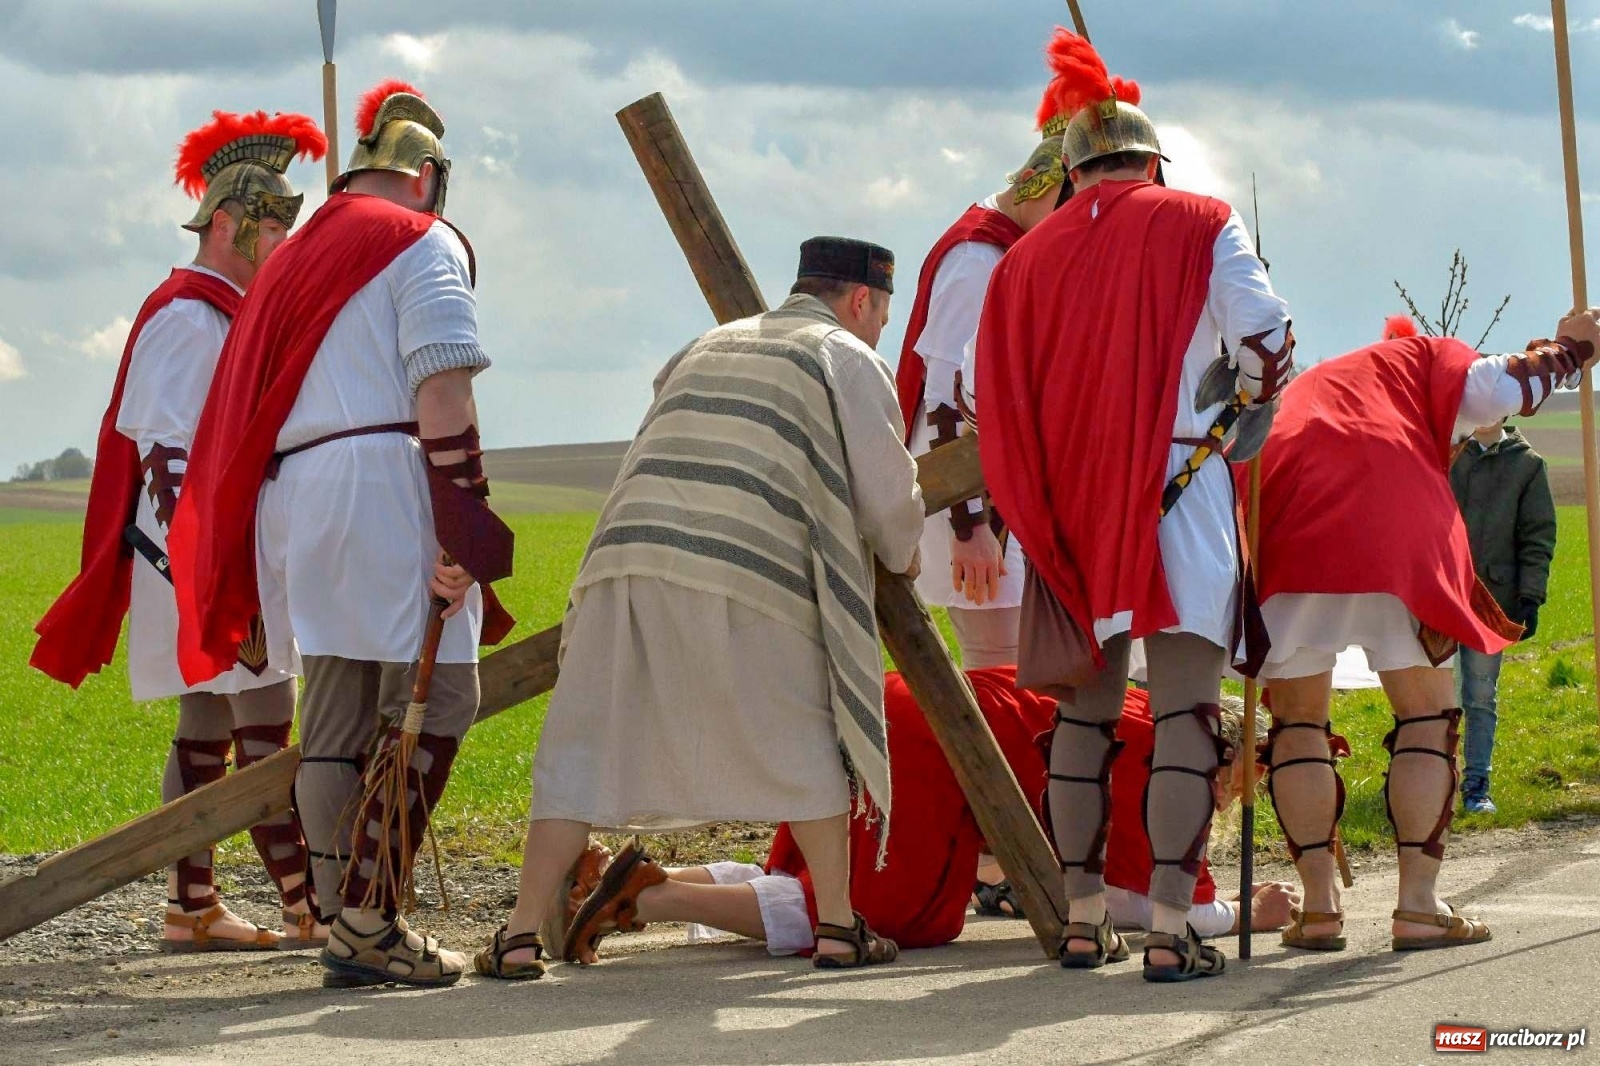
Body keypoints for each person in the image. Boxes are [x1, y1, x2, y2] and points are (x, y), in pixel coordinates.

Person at [475, 237, 924, 981]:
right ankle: (840, 928)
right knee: (806, 736)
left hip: (627, 560)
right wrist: (907, 555)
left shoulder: (706, 343)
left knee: (579, 745)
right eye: (881, 312)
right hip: (754, 565)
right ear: (859, 301)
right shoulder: (845, 354)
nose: (879, 327)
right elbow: (886, 496)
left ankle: (519, 935)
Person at [168, 80, 515, 988]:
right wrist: (462, 519)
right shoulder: (421, 241)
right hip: (384, 481)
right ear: (428, 177)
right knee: (438, 701)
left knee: (336, 713)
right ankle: (366, 918)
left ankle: (339, 915)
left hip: (303, 498)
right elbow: (443, 384)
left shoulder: (292, 256)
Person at [974, 31, 1292, 981]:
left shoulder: (1021, 262)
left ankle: (1079, 919)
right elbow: (1270, 342)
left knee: (1085, 714)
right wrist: (1245, 407)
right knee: (1188, 710)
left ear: (1069, 176)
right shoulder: (1202, 218)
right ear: (1154, 162)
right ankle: (1168, 927)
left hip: (1068, 512)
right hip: (1178, 493)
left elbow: (997, 397)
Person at [31, 110, 327, 951]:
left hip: (218, 559)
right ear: (227, 223)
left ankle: (191, 905)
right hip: (198, 561)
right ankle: (307, 907)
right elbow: (163, 458)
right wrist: (213, 579)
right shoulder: (187, 318)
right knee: (266, 726)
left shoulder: (230, 313)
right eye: (272, 224)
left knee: (208, 731)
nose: (283, 239)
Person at [1249, 310, 1598, 954]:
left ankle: (1320, 910)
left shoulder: (1330, 378)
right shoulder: (1428, 358)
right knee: (1426, 716)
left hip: (1285, 511)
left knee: (1297, 722)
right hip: (1391, 519)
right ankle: (1416, 907)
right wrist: (1574, 346)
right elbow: (1498, 388)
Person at [555, 684, 1296, 960]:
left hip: (907, 710)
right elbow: (1150, 907)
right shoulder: (1167, 767)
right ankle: (650, 894)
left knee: (823, 870)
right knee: (883, 910)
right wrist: (1241, 914)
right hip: (939, 752)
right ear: (1223, 748)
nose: (1233, 794)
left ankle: (602, 877)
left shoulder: (1141, 712)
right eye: (1240, 776)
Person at [893, 27, 1084, 669]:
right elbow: (946, 395)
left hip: (995, 492)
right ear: (1041, 188)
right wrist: (971, 528)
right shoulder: (979, 258)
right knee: (1001, 672)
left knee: (1018, 669)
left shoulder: (1008, 250)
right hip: (968, 501)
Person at [1451, 413, 1556, 814]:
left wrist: (1530, 597)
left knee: (1479, 695)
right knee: (1432, 698)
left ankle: (1477, 786)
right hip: (1438, 596)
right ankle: (1426, 779)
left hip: (1491, 601)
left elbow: (1537, 536)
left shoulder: (1527, 464)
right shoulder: (1446, 454)